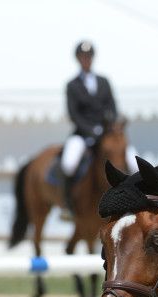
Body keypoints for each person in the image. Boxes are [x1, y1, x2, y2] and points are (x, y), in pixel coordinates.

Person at [61, 41, 137, 208]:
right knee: (69, 163)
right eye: (83, 57)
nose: (86, 59)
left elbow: (112, 106)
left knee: (133, 162)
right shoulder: (72, 85)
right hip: (83, 134)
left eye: (89, 56)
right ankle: (68, 205)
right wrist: (91, 130)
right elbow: (74, 114)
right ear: (78, 59)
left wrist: (112, 125)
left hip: (107, 133)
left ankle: (134, 200)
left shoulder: (104, 81)